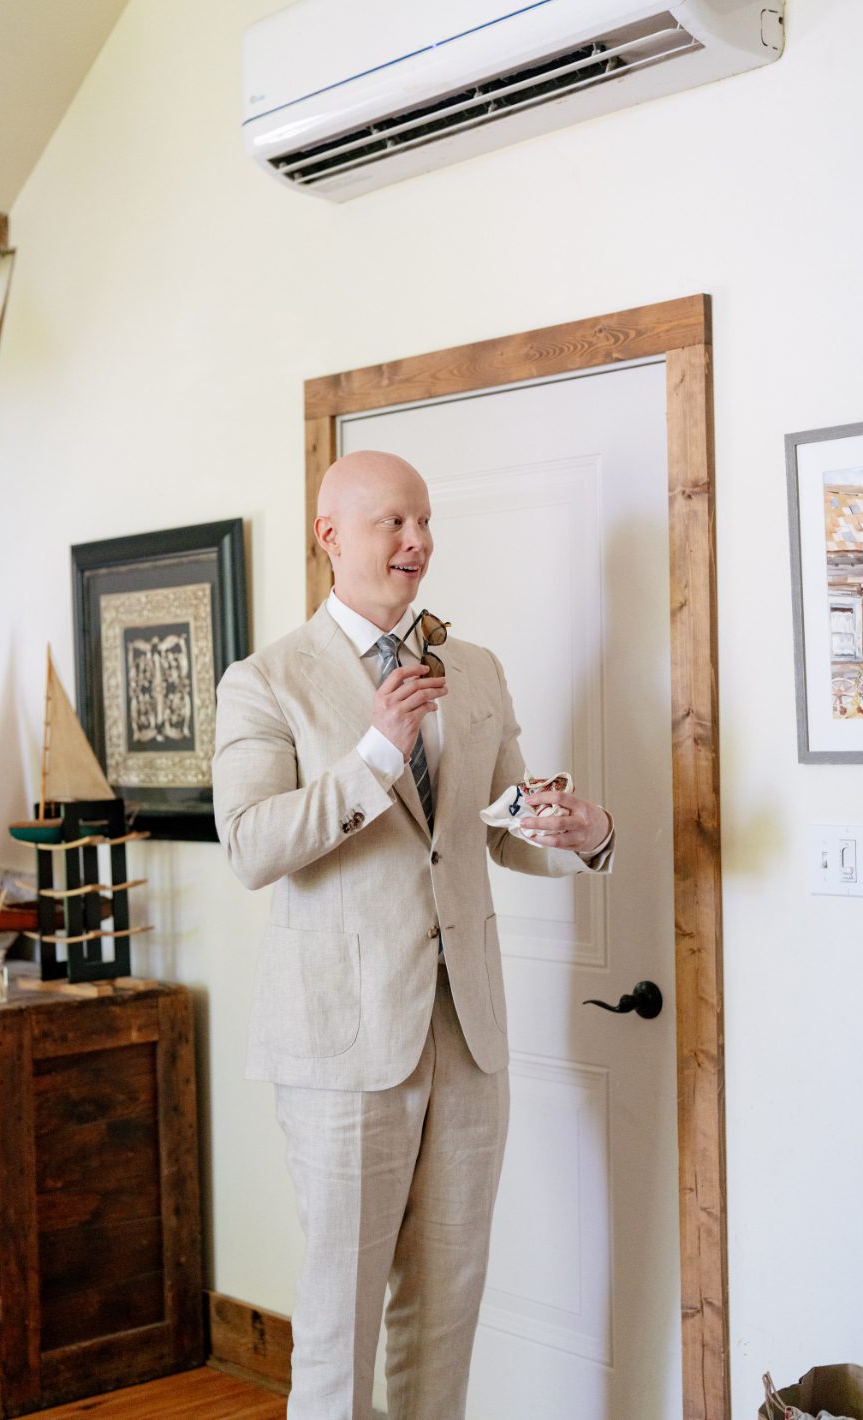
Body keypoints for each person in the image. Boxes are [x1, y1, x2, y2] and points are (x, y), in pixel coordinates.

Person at [213, 450, 613, 1420]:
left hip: (468, 1036)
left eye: (423, 520)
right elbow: (253, 846)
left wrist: (582, 837)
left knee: (447, 1308)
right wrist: (374, 755)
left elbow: (497, 832)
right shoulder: (266, 680)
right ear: (329, 537)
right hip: (341, 1044)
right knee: (339, 1316)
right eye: (392, 521)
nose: (417, 541)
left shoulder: (469, 666)